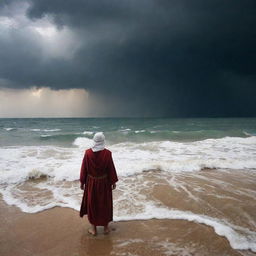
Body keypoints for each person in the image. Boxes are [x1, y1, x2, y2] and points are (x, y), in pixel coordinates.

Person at [79, 132, 118, 236]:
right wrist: (113, 181)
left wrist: (82, 182)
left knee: (92, 204)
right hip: (104, 182)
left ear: (94, 141)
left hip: (91, 182)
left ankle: (93, 229)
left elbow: (84, 168)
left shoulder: (87, 153)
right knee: (105, 204)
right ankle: (105, 228)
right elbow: (111, 168)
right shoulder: (108, 153)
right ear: (103, 141)